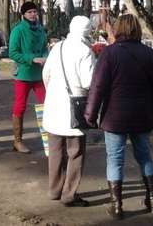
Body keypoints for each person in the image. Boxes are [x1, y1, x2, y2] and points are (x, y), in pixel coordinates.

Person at [84, 14, 153, 219]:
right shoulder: (150, 54)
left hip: (115, 116)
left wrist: (90, 114)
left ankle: (117, 206)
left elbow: (98, 86)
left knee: (115, 159)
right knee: (145, 156)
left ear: (118, 29)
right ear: (137, 30)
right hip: (142, 114)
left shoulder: (109, 53)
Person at [42, 16, 96, 208]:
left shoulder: (57, 47)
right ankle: (69, 194)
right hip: (74, 107)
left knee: (55, 150)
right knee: (75, 151)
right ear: (87, 31)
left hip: (53, 104)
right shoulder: (85, 51)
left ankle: (54, 189)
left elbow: (46, 74)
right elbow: (88, 82)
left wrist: (52, 92)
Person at [8, 1, 48, 153]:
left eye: (34, 12)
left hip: (40, 74)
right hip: (24, 74)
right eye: (29, 12)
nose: (33, 14)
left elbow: (45, 48)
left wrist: (45, 57)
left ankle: (51, 139)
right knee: (20, 106)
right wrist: (32, 59)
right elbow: (13, 52)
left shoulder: (41, 29)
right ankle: (17, 141)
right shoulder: (18, 30)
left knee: (47, 104)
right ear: (23, 14)